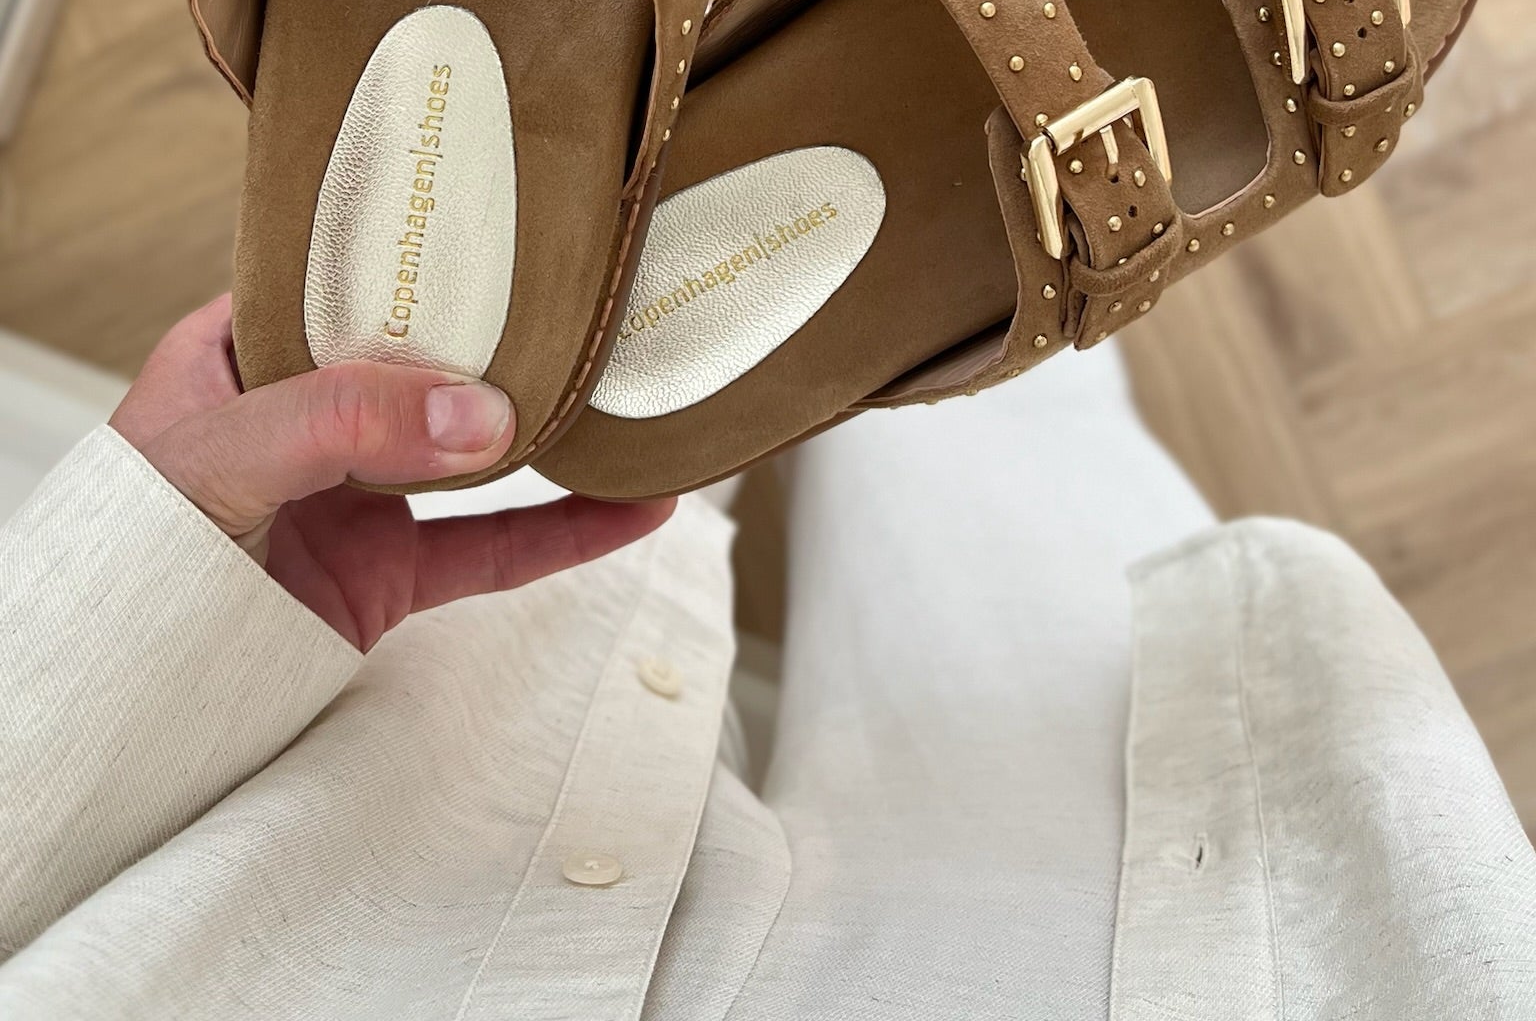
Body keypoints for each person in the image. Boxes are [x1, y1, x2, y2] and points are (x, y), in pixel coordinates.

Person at [0, 294, 1531, 1018]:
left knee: (578, 395)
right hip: (1098, 982)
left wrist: (147, 589)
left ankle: (760, 165)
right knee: (997, 412)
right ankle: (934, 190)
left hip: (359, 921)